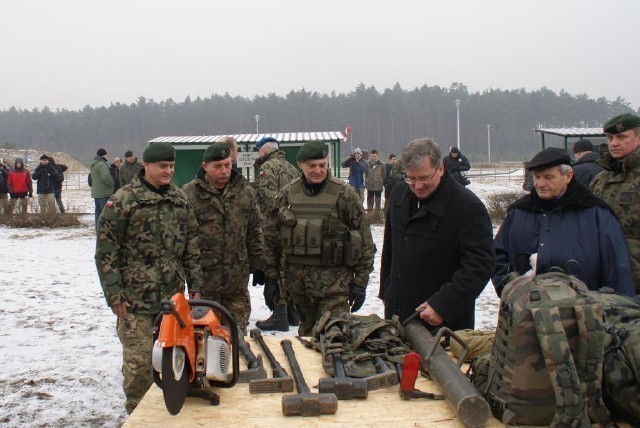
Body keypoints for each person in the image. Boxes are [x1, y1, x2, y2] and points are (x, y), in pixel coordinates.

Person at [95, 142, 203, 414]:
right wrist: (115, 295)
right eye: (162, 167)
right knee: (140, 365)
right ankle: (138, 415)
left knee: (173, 360)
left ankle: (167, 411)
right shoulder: (123, 201)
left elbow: (191, 246)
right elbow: (106, 253)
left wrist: (196, 287)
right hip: (134, 301)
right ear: (146, 165)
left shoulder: (179, 200)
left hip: (172, 299)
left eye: (171, 166)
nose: (168, 171)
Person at [380, 138, 494, 331]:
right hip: (398, 314)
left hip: (442, 322)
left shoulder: (467, 207)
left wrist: (443, 305)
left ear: (440, 168)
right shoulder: (399, 195)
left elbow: (480, 265)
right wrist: (387, 291)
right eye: (411, 178)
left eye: (424, 178)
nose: (417, 186)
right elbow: (390, 249)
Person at [263, 141, 375, 335]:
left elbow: (365, 243)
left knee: (335, 344)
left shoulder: (345, 195)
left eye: (322, 165)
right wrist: (271, 279)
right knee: (307, 344)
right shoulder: (287, 195)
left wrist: (360, 283)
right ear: (300, 164)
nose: (318, 170)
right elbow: (271, 240)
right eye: (312, 166)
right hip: (299, 291)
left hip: (335, 289)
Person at [493, 147, 634, 297]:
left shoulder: (597, 214)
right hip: (525, 313)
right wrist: (510, 288)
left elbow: (617, 269)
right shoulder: (519, 212)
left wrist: (616, 311)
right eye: (537, 176)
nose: (540, 184)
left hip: (583, 314)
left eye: (548, 177)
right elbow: (496, 257)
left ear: (568, 176)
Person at [182, 142, 267, 335]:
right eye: (218, 166)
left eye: (227, 165)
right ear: (205, 167)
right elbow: (184, 242)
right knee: (204, 340)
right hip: (204, 287)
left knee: (237, 339)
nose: (224, 171)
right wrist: (191, 280)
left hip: (237, 284)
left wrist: (260, 265)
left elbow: (254, 231)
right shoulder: (189, 195)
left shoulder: (245, 192)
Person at [252, 136, 301, 331]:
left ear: (264, 151)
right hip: (292, 224)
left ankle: (280, 314)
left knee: (276, 268)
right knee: (287, 268)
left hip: (274, 226)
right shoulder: (291, 168)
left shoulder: (267, 169)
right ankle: (292, 314)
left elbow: (268, 199)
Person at [591, 113, 640, 295]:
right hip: (606, 278)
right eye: (610, 138)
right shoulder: (600, 179)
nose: (614, 143)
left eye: (621, 137)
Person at [90, 148, 114, 227]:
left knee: (98, 213)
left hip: (96, 192)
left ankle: (98, 229)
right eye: (106, 154)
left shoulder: (93, 164)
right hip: (104, 192)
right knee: (105, 213)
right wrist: (112, 184)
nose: (107, 156)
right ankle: (104, 230)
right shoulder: (102, 164)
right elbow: (106, 177)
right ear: (103, 155)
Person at [365, 149, 386, 222]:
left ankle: (377, 217)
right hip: (370, 185)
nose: (373, 157)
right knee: (370, 202)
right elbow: (365, 174)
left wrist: (380, 180)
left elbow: (384, 174)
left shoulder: (382, 164)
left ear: (377, 156)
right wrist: (367, 180)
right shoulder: (367, 164)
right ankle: (369, 217)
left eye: (374, 156)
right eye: (372, 156)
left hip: (378, 186)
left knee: (378, 202)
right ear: (370, 156)